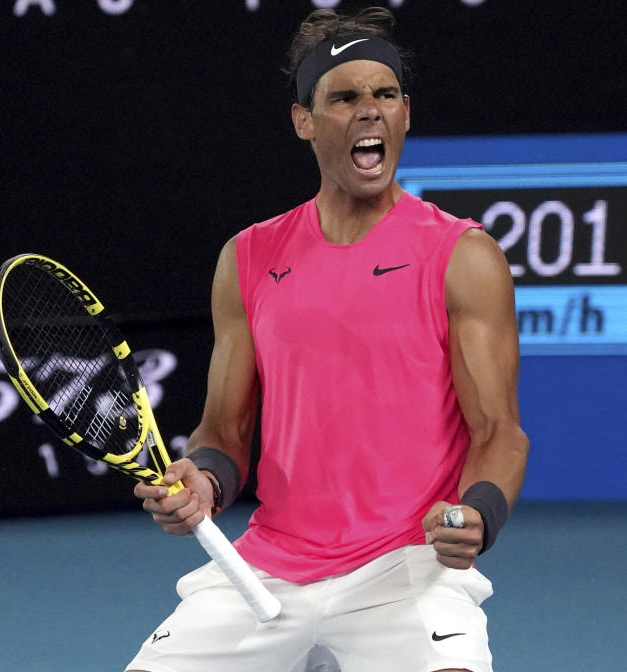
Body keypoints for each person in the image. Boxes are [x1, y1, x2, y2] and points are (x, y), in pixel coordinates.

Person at [127, 7, 528, 672]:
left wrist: (479, 514)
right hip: (266, 569)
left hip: (406, 568)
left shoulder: (463, 255)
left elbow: (499, 432)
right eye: (344, 97)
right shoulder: (250, 257)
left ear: (405, 113)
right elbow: (225, 433)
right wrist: (203, 482)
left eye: (386, 94)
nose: (369, 110)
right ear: (304, 121)